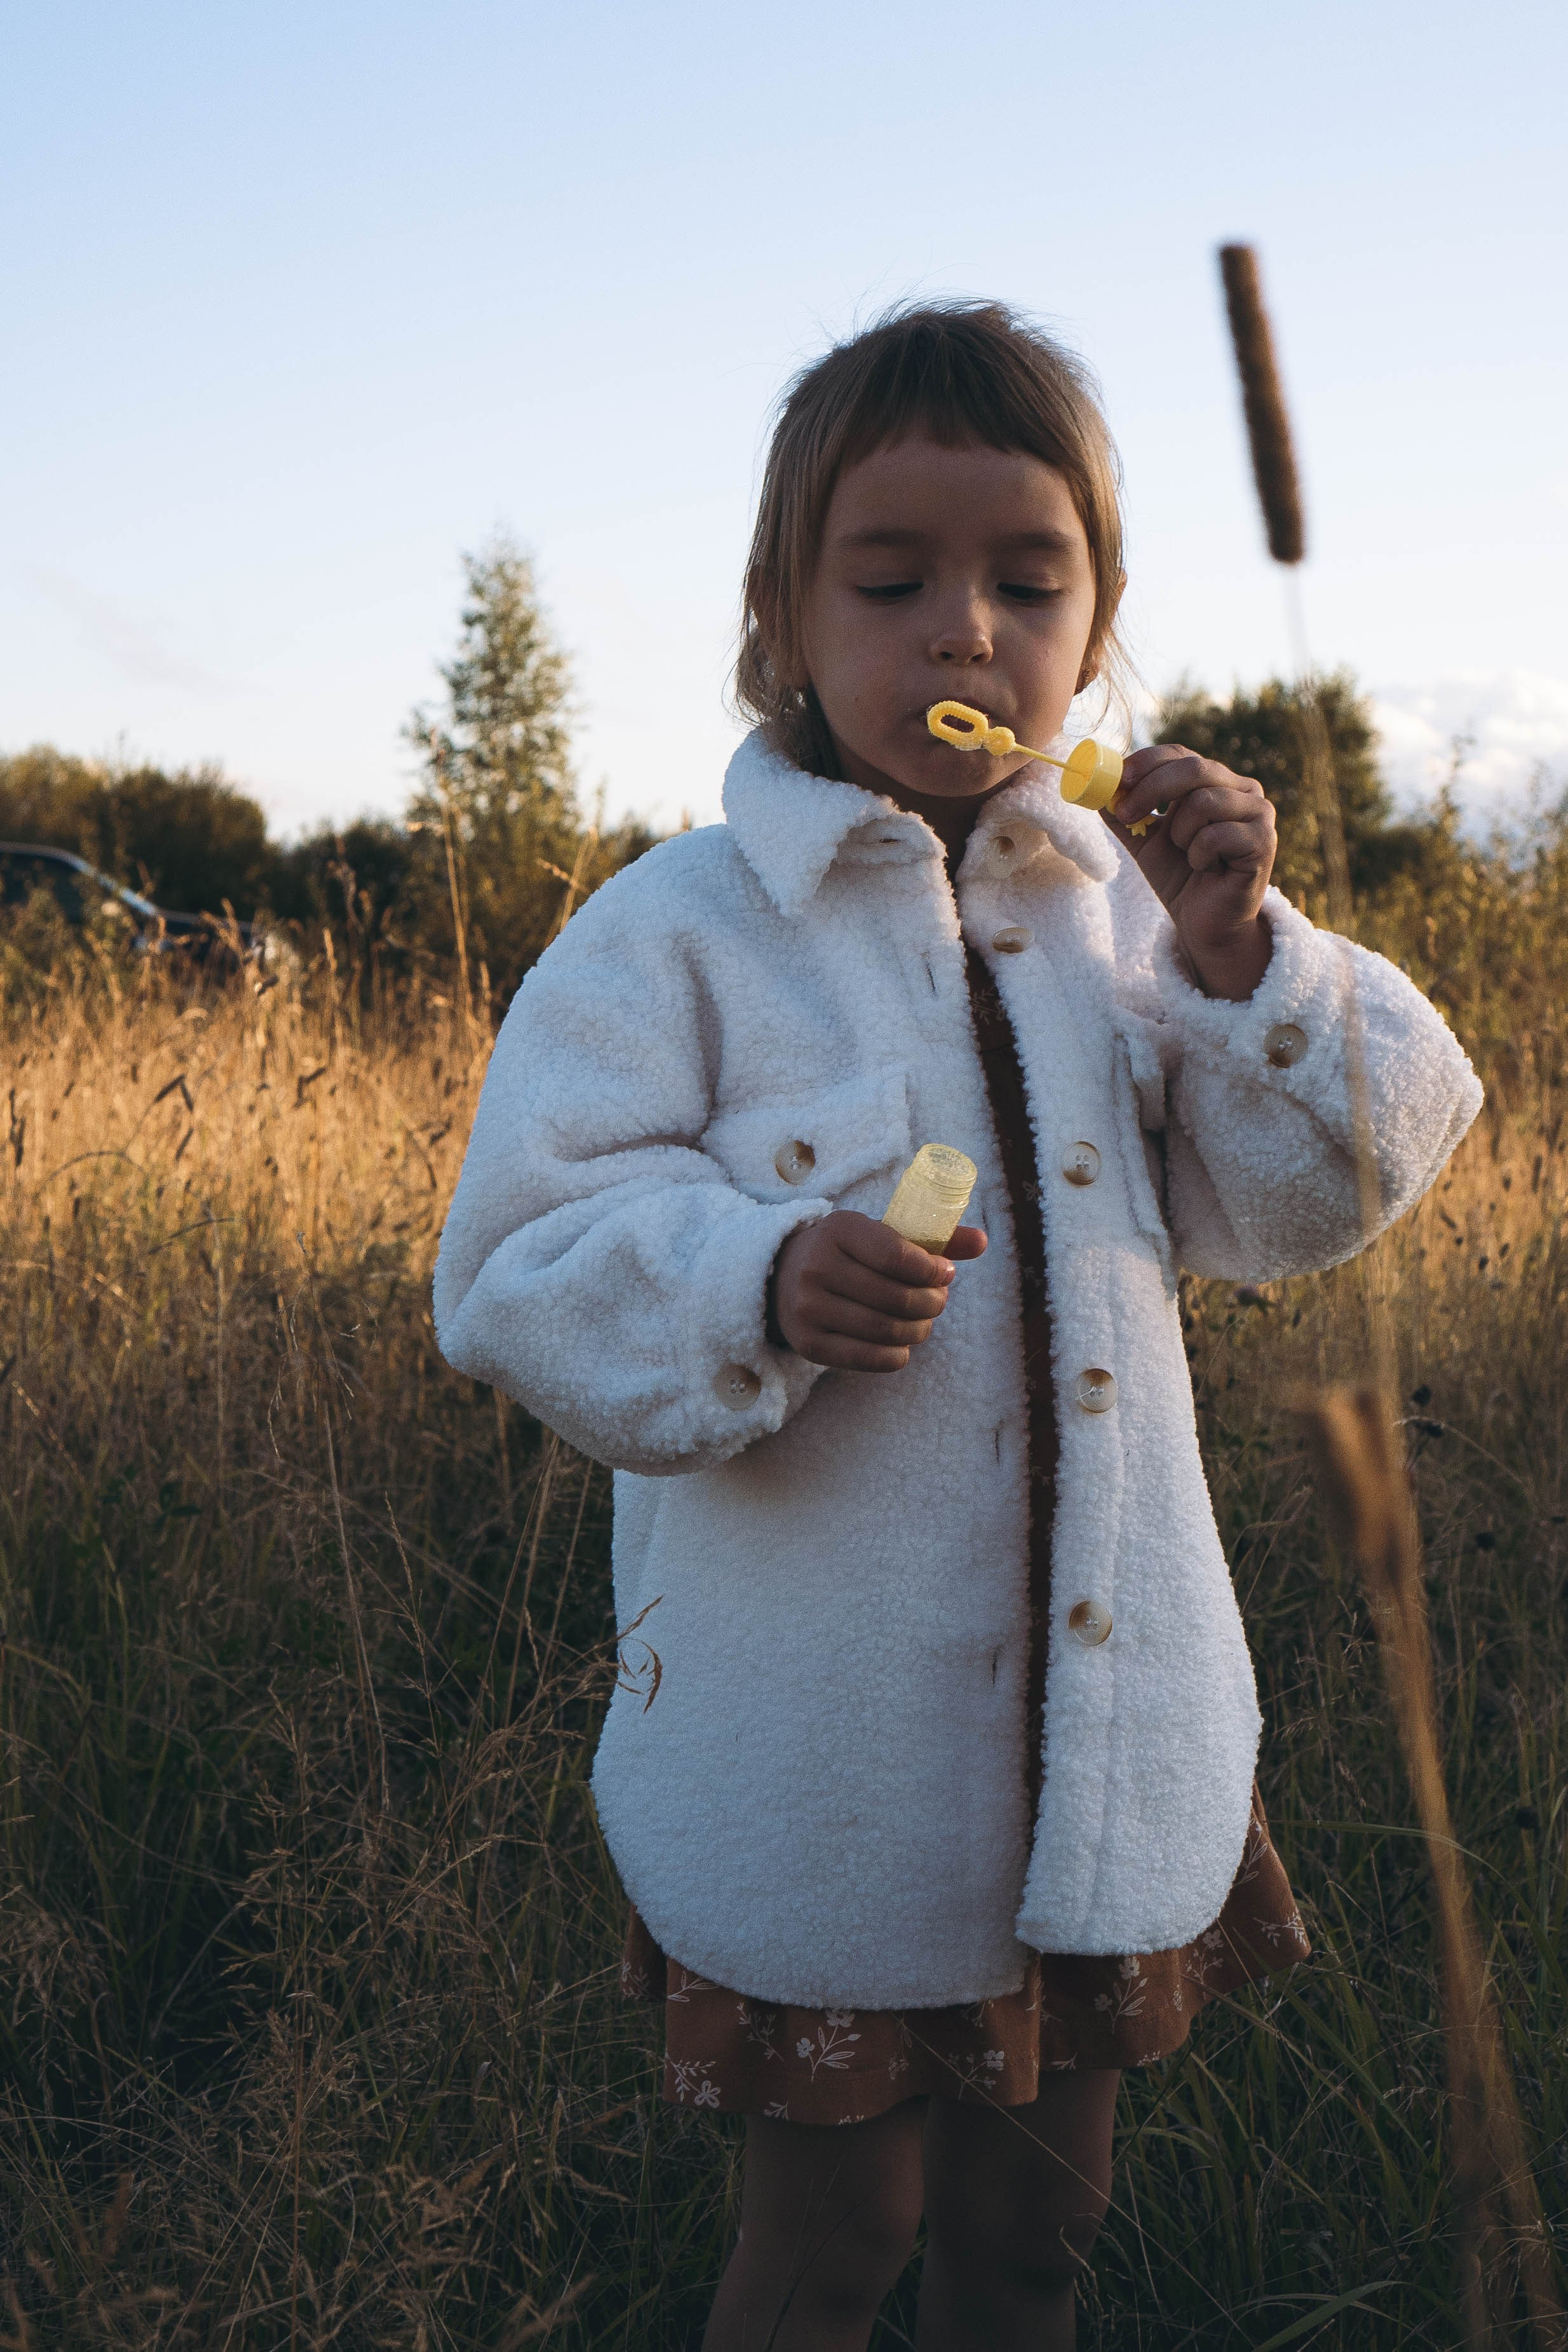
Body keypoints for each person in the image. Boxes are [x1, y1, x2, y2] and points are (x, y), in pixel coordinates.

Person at [434, 303, 1481, 2350]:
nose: (959, 633)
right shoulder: (683, 930)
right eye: (889, 578)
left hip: (1094, 1742)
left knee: (1031, 2248)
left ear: (1094, 636)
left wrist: (1240, 950)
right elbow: (519, 1258)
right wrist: (751, 1274)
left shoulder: (1123, 918)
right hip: (821, 1768)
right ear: (777, 622)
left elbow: (1320, 1190)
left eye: (1027, 582)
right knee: (830, 2252)